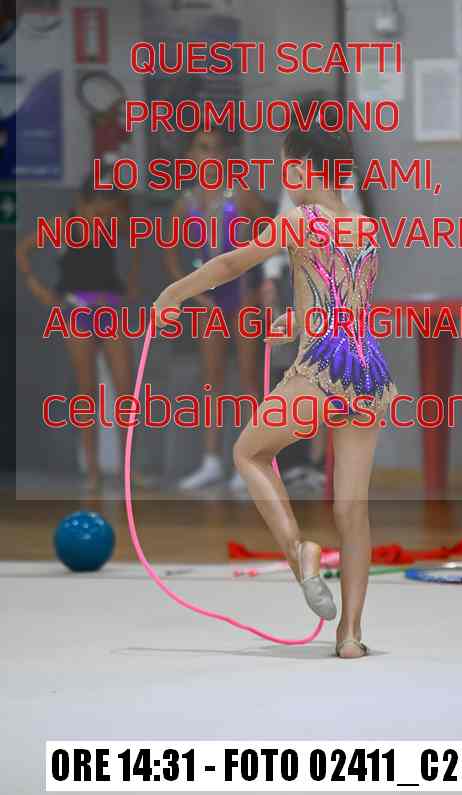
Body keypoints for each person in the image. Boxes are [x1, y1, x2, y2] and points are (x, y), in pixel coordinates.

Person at [154, 122, 398, 659]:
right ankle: (350, 635)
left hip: (322, 371)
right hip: (368, 375)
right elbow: (346, 302)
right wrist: (297, 321)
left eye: (287, 164)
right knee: (352, 511)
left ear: (307, 167)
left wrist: (173, 292)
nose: (283, 175)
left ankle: (299, 550)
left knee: (249, 453)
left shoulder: (298, 221)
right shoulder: (364, 227)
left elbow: (229, 263)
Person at [164, 127, 272, 492]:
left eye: (216, 148)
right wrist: (191, 293)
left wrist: (259, 283)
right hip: (209, 299)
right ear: (191, 156)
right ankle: (211, 460)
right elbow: (169, 255)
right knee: (212, 379)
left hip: (241, 294)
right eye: (203, 148)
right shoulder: (185, 203)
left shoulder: (241, 195)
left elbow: (273, 239)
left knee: (248, 376)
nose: (210, 155)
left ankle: (252, 460)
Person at [16, 175, 140, 492]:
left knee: (126, 390)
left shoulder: (113, 223)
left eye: (110, 212)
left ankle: (127, 470)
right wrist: (36, 286)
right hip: (77, 309)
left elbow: (135, 244)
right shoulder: (63, 225)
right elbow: (23, 250)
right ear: (83, 203)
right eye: (100, 211)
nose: (106, 218)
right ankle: (93, 469)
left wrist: (131, 283)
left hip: (110, 307)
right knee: (86, 392)